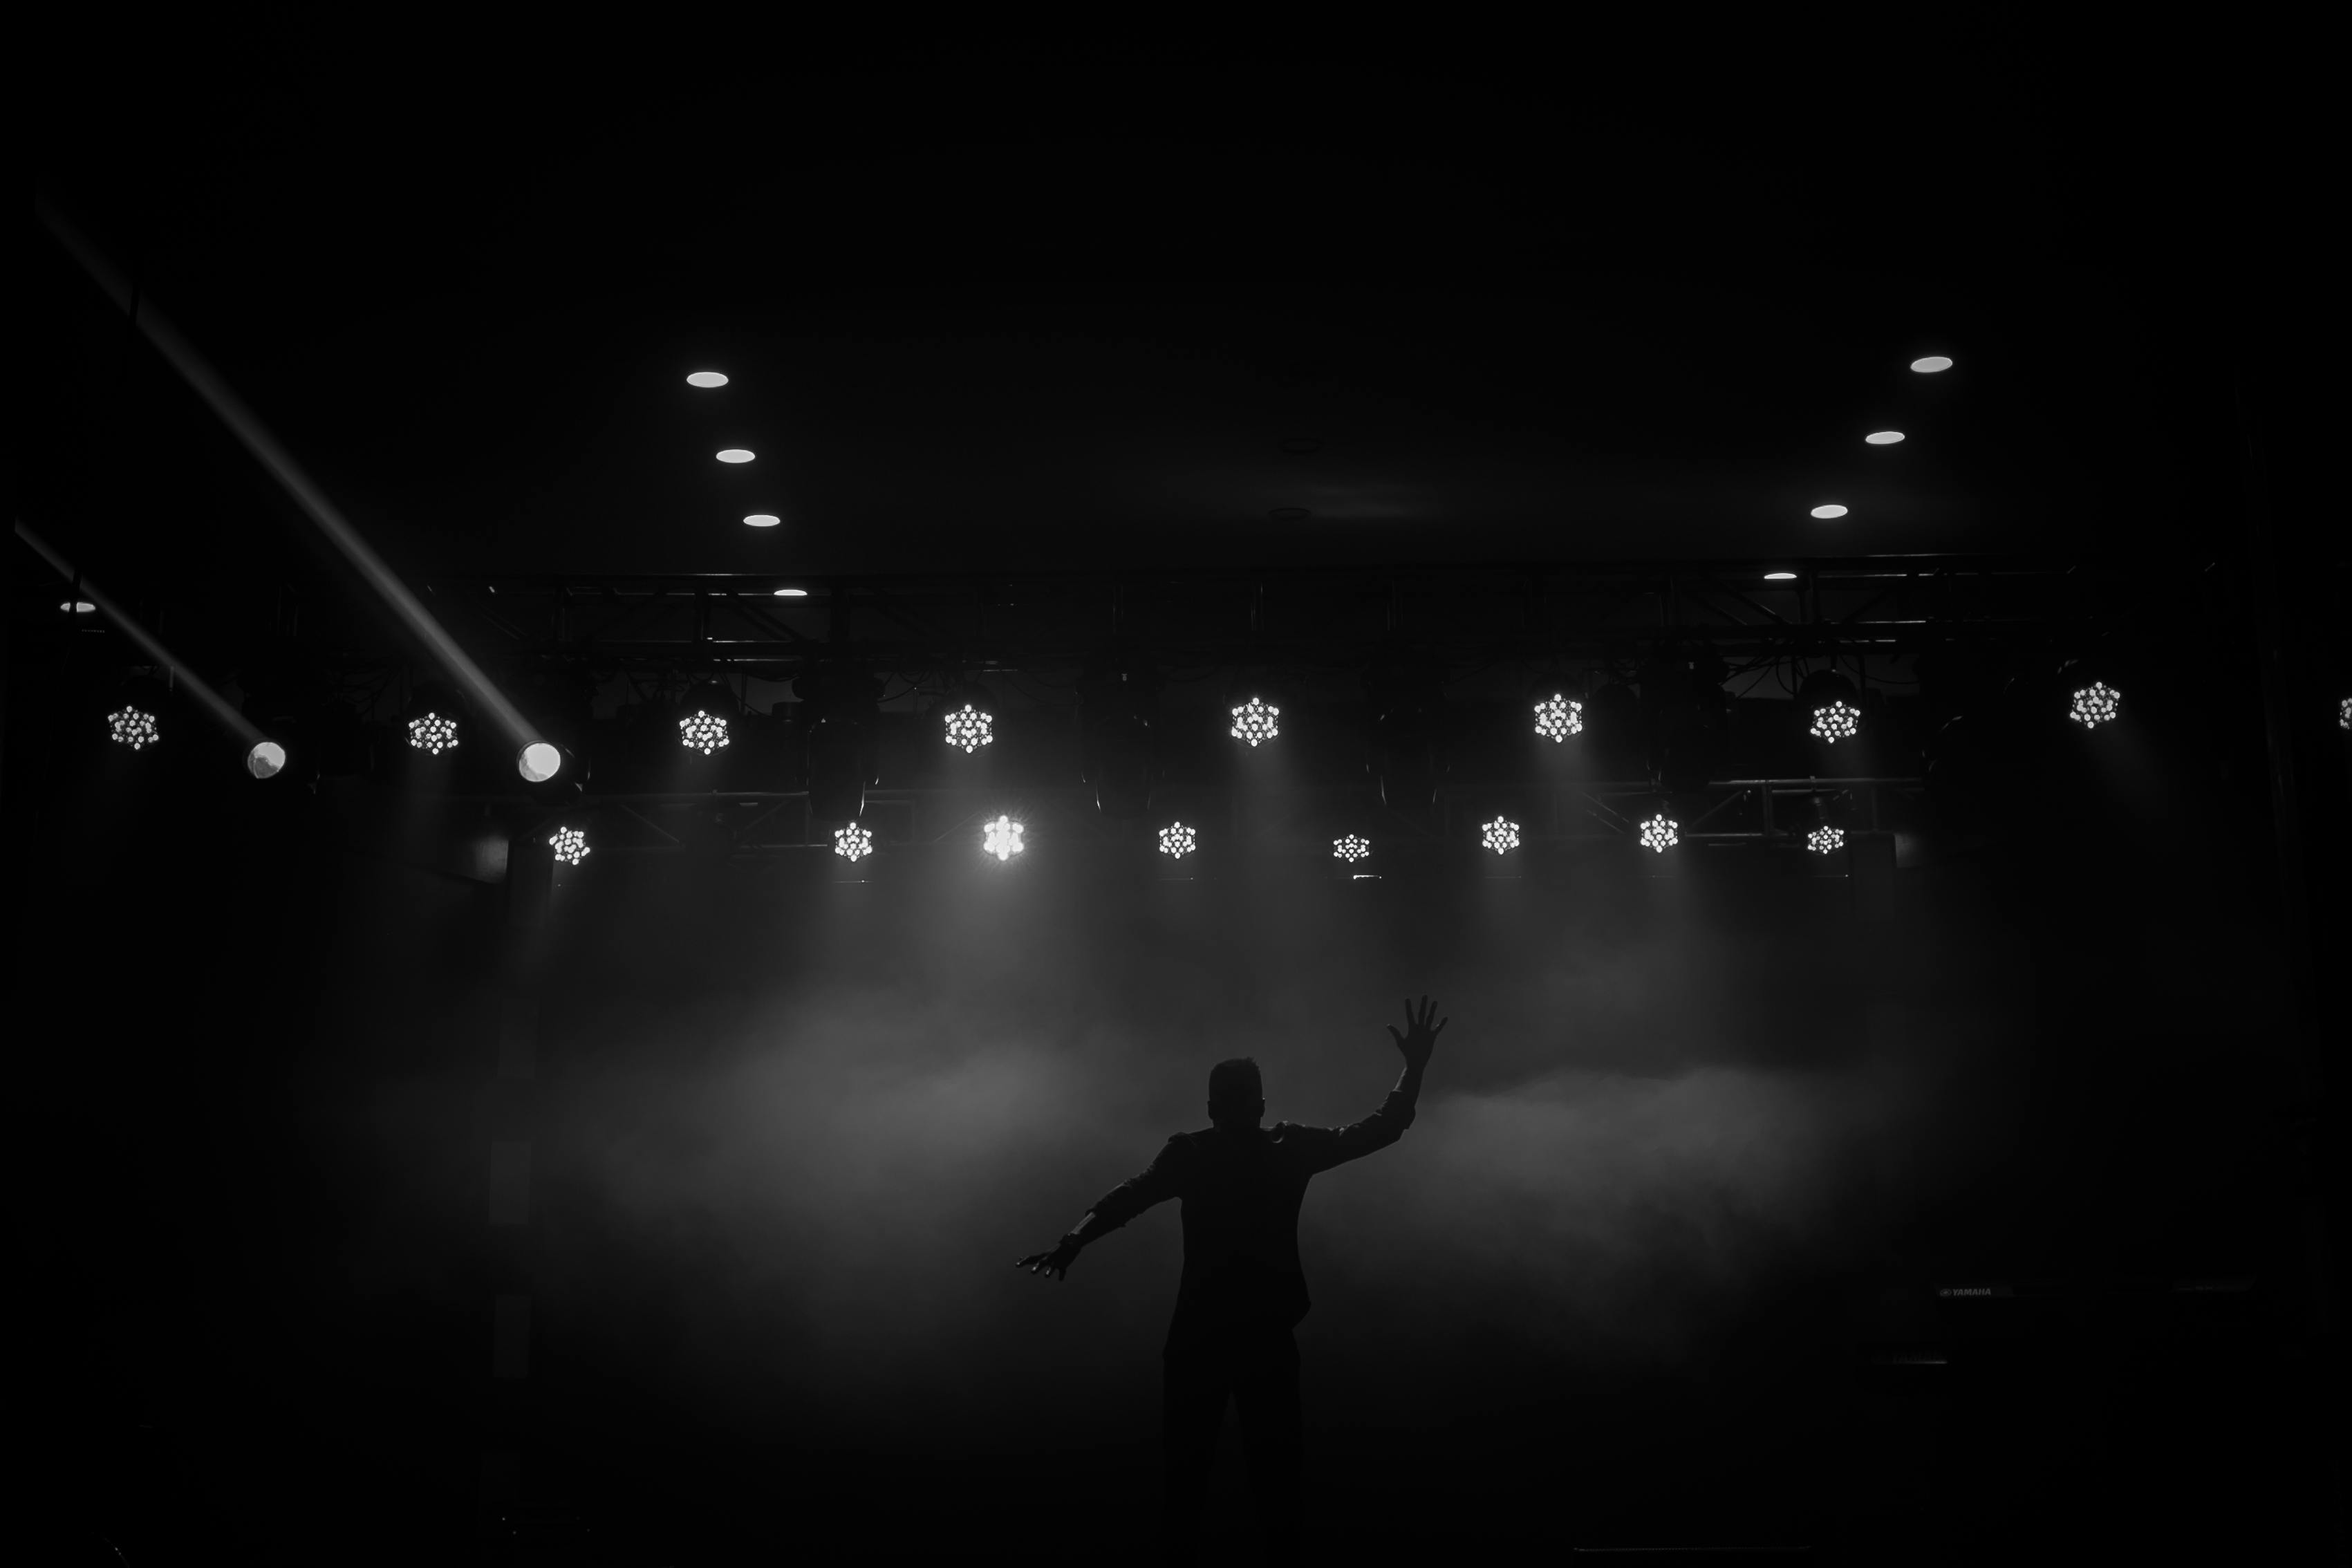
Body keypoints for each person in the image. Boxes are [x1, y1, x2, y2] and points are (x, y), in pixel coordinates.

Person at [1016, 996, 1448, 1564]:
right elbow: (1382, 1129)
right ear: (1260, 1104)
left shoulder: (1197, 1153)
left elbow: (1129, 1197)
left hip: (1204, 1336)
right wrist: (1414, 1067)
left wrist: (1074, 1240)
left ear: (1212, 1106)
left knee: (1193, 1486)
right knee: (1271, 1488)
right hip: (1259, 1336)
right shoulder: (1283, 1149)